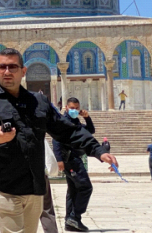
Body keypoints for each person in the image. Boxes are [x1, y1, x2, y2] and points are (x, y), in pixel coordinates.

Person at [0, 48, 117, 233]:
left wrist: (98, 151)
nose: (7, 71)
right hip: (3, 189)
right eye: (2, 67)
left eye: (13, 67)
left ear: (23, 71)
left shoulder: (38, 102)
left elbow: (67, 131)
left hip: (34, 189)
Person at [53, 98, 95, 232]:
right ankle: (74, 217)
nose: (74, 110)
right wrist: (59, 159)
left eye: (77, 108)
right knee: (85, 187)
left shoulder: (75, 122)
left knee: (73, 190)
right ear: (66, 107)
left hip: (74, 158)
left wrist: (87, 118)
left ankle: (69, 222)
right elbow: (56, 141)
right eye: (72, 108)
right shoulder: (63, 122)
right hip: (70, 160)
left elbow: (90, 131)